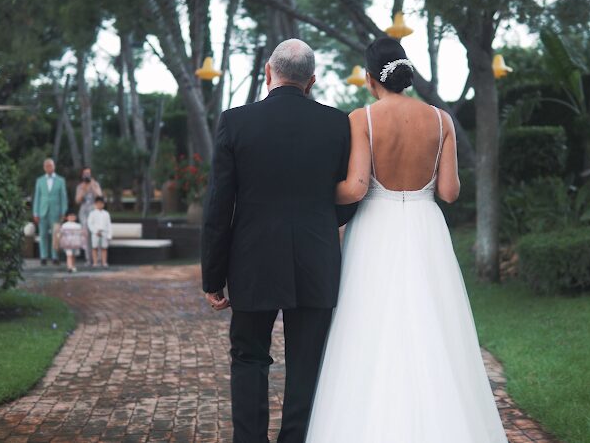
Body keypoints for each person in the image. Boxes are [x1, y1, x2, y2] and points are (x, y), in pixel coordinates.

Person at [306, 38, 509, 442]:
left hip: (375, 229)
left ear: (369, 78)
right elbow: (449, 192)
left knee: (367, 324)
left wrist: (314, 192)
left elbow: (357, 187)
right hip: (424, 225)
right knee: (433, 320)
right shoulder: (441, 120)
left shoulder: (361, 118)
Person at [200, 39, 354, 443]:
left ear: (268, 72)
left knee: (249, 357)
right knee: (307, 364)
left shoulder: (234, 122)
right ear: (312, 81)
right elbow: (350, 194)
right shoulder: (339, 124)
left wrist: (213, 277)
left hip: (253, 260)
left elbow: (219, 205)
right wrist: (322, 222)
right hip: (317, 259)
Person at [32, 158, 68, 266]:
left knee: (55, 234)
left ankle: (55, 257)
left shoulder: (60, 180)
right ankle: (43, 256)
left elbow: (63, 197)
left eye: (50, 166)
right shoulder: (40, 180)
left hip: (56, 212)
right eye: (47, 166)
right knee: (43, 235)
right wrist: (35, 212)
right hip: (42, 211)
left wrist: (63, 212)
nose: (49, 168)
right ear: (44, 168)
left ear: (54, 167)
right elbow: (37, 197)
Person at [75, 167, 103, 265]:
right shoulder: (80, 186)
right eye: (85, 174)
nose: (87, 176)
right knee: (86, 234)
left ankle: (98, 259)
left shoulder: (95, 185)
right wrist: (84, 189)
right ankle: (88, 259)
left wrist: (93, 186)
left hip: (94, 211)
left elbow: (99, 197)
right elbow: (77, 200)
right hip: (84, 212)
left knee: (96, 233)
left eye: (88, 174)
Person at [87, 196, 111, 268]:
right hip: (95, 233)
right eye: (98, 203)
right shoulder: (92, 213)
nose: (99, 205)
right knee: (95, 247)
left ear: (103, 204)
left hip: (104, 232)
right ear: (95, 204)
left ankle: (104, 262)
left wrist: (109, 234)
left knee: (104, 247)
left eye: (101, 203)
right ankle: (95, 262)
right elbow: (90, 224)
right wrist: (95, 231)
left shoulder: (106, 213)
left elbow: (109, 224)